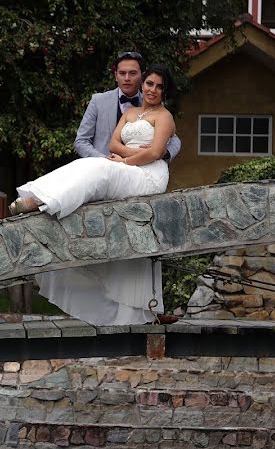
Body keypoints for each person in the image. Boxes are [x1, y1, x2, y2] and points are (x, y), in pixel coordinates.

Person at [10, 65, 176, 325]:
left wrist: (123, 160)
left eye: (159, 86)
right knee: (87, 165)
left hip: (149, 175)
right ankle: (39, 196)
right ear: (143, 85)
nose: (153, 90)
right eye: (150, 84)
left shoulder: (165, 117)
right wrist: (129, 154)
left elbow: (155, 154)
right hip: (128, 164)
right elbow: (112, 144)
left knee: (100, 168)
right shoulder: (131, 112)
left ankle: (46, 201)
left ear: (165, 91)